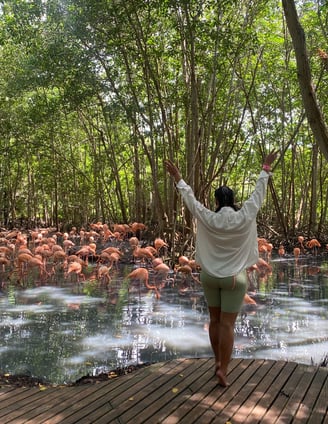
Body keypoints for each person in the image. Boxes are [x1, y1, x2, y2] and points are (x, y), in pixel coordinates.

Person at [164, 151, 278, 387]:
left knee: (214, 320)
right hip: (234, 278)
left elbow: (191, 201)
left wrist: (178, 178)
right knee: (227, 325)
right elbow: (258, 194)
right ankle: (224, 369)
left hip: (209, 276)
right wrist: (265, 167)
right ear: (233, 200)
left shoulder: (208, 217)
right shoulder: (244, 215)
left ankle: (217, 361)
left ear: (216, 202)